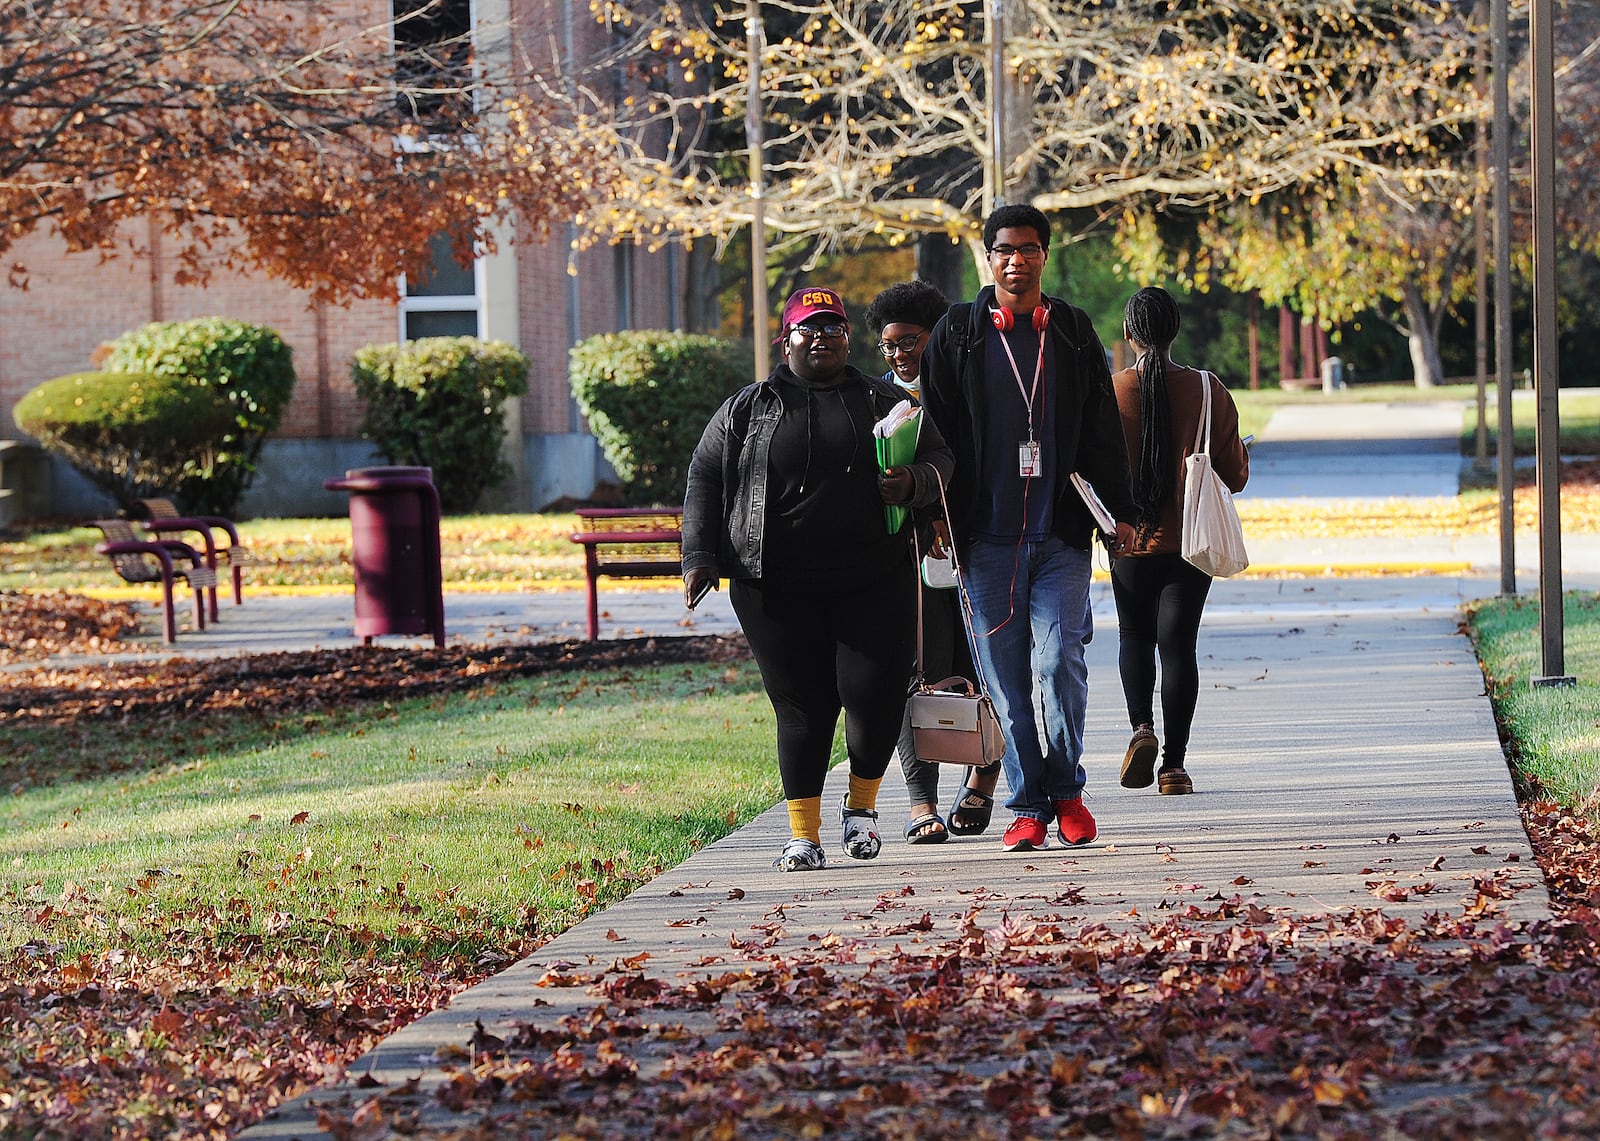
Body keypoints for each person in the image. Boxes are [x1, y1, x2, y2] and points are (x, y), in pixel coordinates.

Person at [681, 286, 954, 871]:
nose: (823, 337)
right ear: (788, 339)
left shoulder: (887, 400)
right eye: (810, 328)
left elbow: (940, 458)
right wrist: (699, 555)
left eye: (834, 328)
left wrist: (912, 484)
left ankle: (861, 812)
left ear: (847, 338)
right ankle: (803, 834)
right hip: (773, 584)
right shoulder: (746, 409)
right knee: (803, 708)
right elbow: (704, 476)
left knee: (875, 698)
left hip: (873, 577)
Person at [919, 204, 1138, 853]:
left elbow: (1102, 429)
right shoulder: (956, 335)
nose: (1017, 259)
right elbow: (932, 432)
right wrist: (934, 516)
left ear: (1046, 254)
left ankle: (1067, 791)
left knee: (1060, 663)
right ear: (987, 258)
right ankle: (1028, 803)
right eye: (1004, 249)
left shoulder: (1068, 331)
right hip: (984, 541)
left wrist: (1120, 510)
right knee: (1008, 686)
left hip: (1060, 536)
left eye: (1029, 247)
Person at [864, 279, 1003, 843]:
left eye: (910, 341)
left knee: (988, 666)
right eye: (889, 345)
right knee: (913, 672)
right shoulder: (873, 398)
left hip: (977, 546)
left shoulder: (964, 385)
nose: (899, 354)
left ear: (935, 336)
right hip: (906, 557)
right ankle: (922, 802)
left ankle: (984, 779)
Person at [1110, 286, 1250, 795]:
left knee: (1133, 636)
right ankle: (1173, 766)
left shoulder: (1111, 391)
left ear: (1128, 334)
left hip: (1128, 540)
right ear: (1175, 331)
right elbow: (1233, 474)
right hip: (1191, 540)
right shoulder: (1208, 389)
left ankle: (1140, 728)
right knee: (1178, 646)